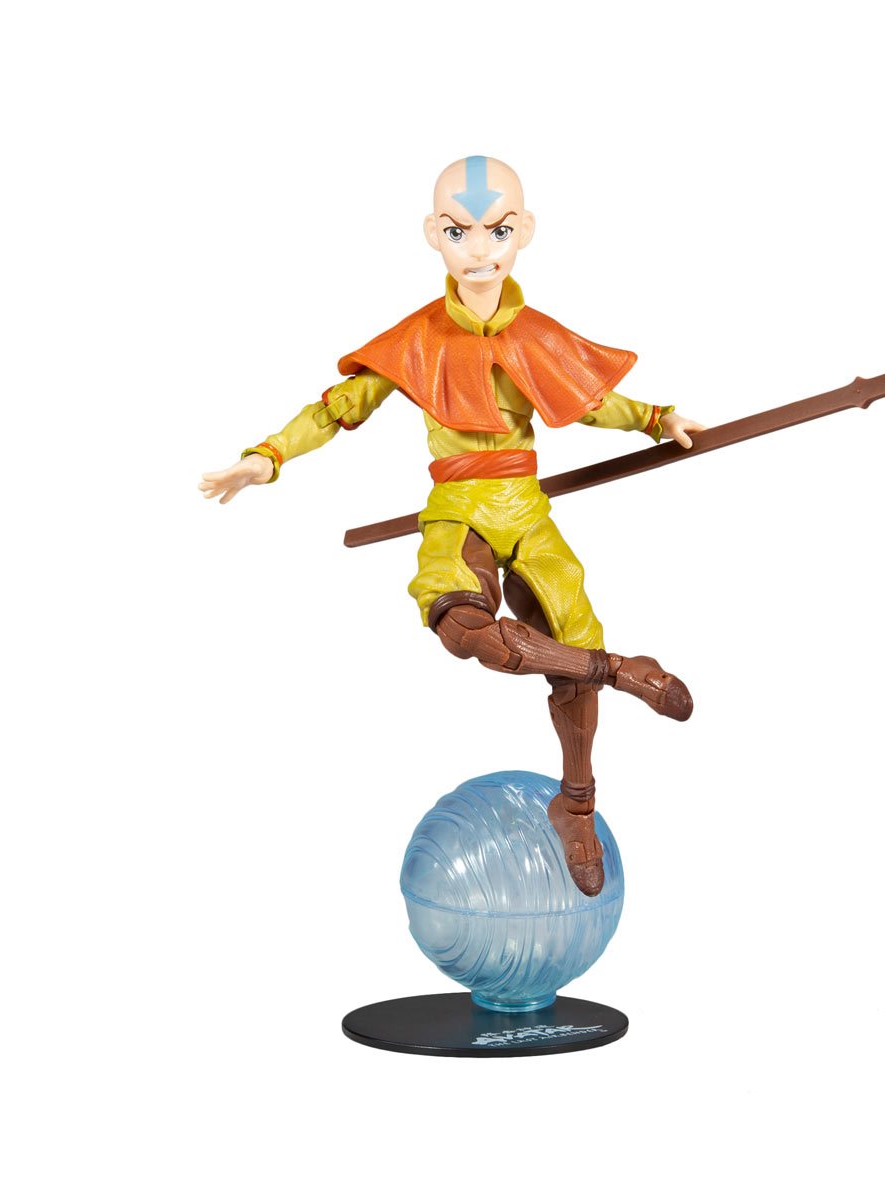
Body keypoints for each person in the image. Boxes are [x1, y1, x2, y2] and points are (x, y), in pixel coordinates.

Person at [200, 157, 707, 896]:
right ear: (432, 234)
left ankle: (577, 807)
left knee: (570, 629)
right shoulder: (419, 337)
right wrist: (266, 457)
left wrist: (659, 419)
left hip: (526, 511)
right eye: (459, 230)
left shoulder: (535, 334)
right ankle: (621, 670)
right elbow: (340, 406)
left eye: (497, 230)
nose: (479, 249)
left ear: (524, 232)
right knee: (466, 631)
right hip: (458, 509)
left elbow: (591, 402)